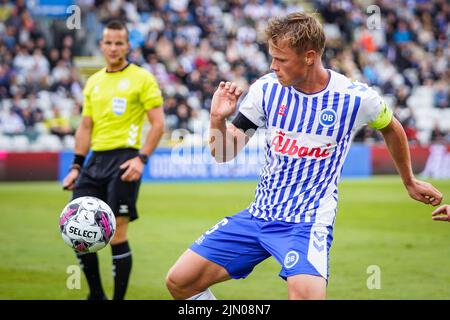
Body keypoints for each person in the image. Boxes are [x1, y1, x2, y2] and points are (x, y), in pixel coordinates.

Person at [165, 12, 442, 300]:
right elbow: (222, 153)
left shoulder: (355, 98)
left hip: (306, 222)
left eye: (281, 59)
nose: (273, 66)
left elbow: (392, 127)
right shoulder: (266, 89)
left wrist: (409, 180)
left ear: (309, 57)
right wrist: (217, 120)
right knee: (180, 282)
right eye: (271, 57)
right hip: (259, 215)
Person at [62, 20, 165, 300]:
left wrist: (141, 159)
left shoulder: (142, 78)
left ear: (127, 45)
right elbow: (85, 126)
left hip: (125, 160)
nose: (113, 48)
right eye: (108, 42)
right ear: (101, 45)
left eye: (119, 43)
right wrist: (75, 166)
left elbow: (157, 124)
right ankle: (96, 294)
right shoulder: (93, 82)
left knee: (117, 234)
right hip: (94, 162)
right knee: (76, 228)